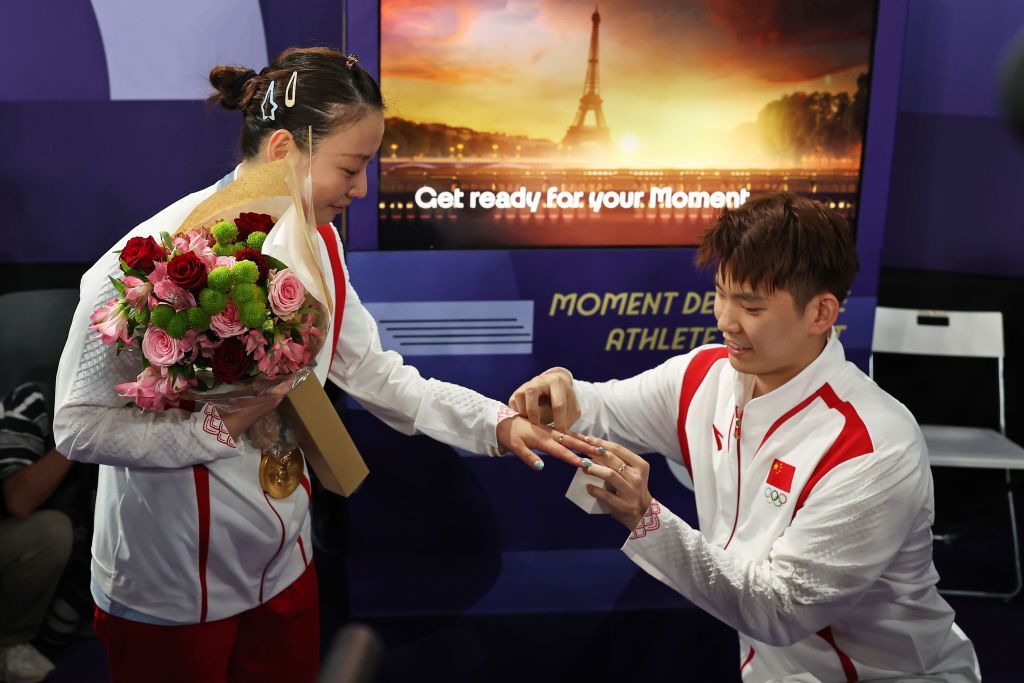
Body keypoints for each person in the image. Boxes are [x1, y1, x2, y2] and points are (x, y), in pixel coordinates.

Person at [53, 47, 593, 683]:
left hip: (284, 560)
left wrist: (498, 426)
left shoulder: (320, 241)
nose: (362, 190)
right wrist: (217, 428)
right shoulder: (146, 263)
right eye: (351, 167)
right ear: (284, 147)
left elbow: (379, 377)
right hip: (170, 584)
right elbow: (76, 426)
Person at [510, 193, 981, 682]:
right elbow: (602, 410)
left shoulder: (874, 447)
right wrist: (560, 390)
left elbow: (780, 610)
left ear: (821, 314)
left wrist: (644, 517)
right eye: (720, 293)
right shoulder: (705, 375)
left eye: (750, 306)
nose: (725, 320)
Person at [0, 383, 73, 683]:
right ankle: (9, 642)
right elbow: (19, 500)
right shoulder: (36, 398)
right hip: (17, 537)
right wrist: (81, 433)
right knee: (52, 531)